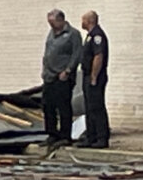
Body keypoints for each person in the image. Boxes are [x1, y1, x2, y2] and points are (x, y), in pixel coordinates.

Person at [42, 8, 83, 147]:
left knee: (63, 106)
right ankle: (52, 134)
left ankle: (65, 135)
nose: (51, 26)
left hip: (62, 77)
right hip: (49, 76)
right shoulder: (51, 34)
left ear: (61, 20)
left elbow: (77, 54)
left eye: (53, 23)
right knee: (48, 106)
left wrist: (68, 70)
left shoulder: (73, 34)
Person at [77, 11, 110, 148]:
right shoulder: (89, 36)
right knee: (89, 108)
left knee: (97, 107)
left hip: (94, 76)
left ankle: (102, 137)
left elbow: (98, 56)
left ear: (89, 21)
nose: (81, 22)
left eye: (83, 20)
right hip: (87, 75)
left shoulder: (97, 36)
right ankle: (91, 137)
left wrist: (94, 76)